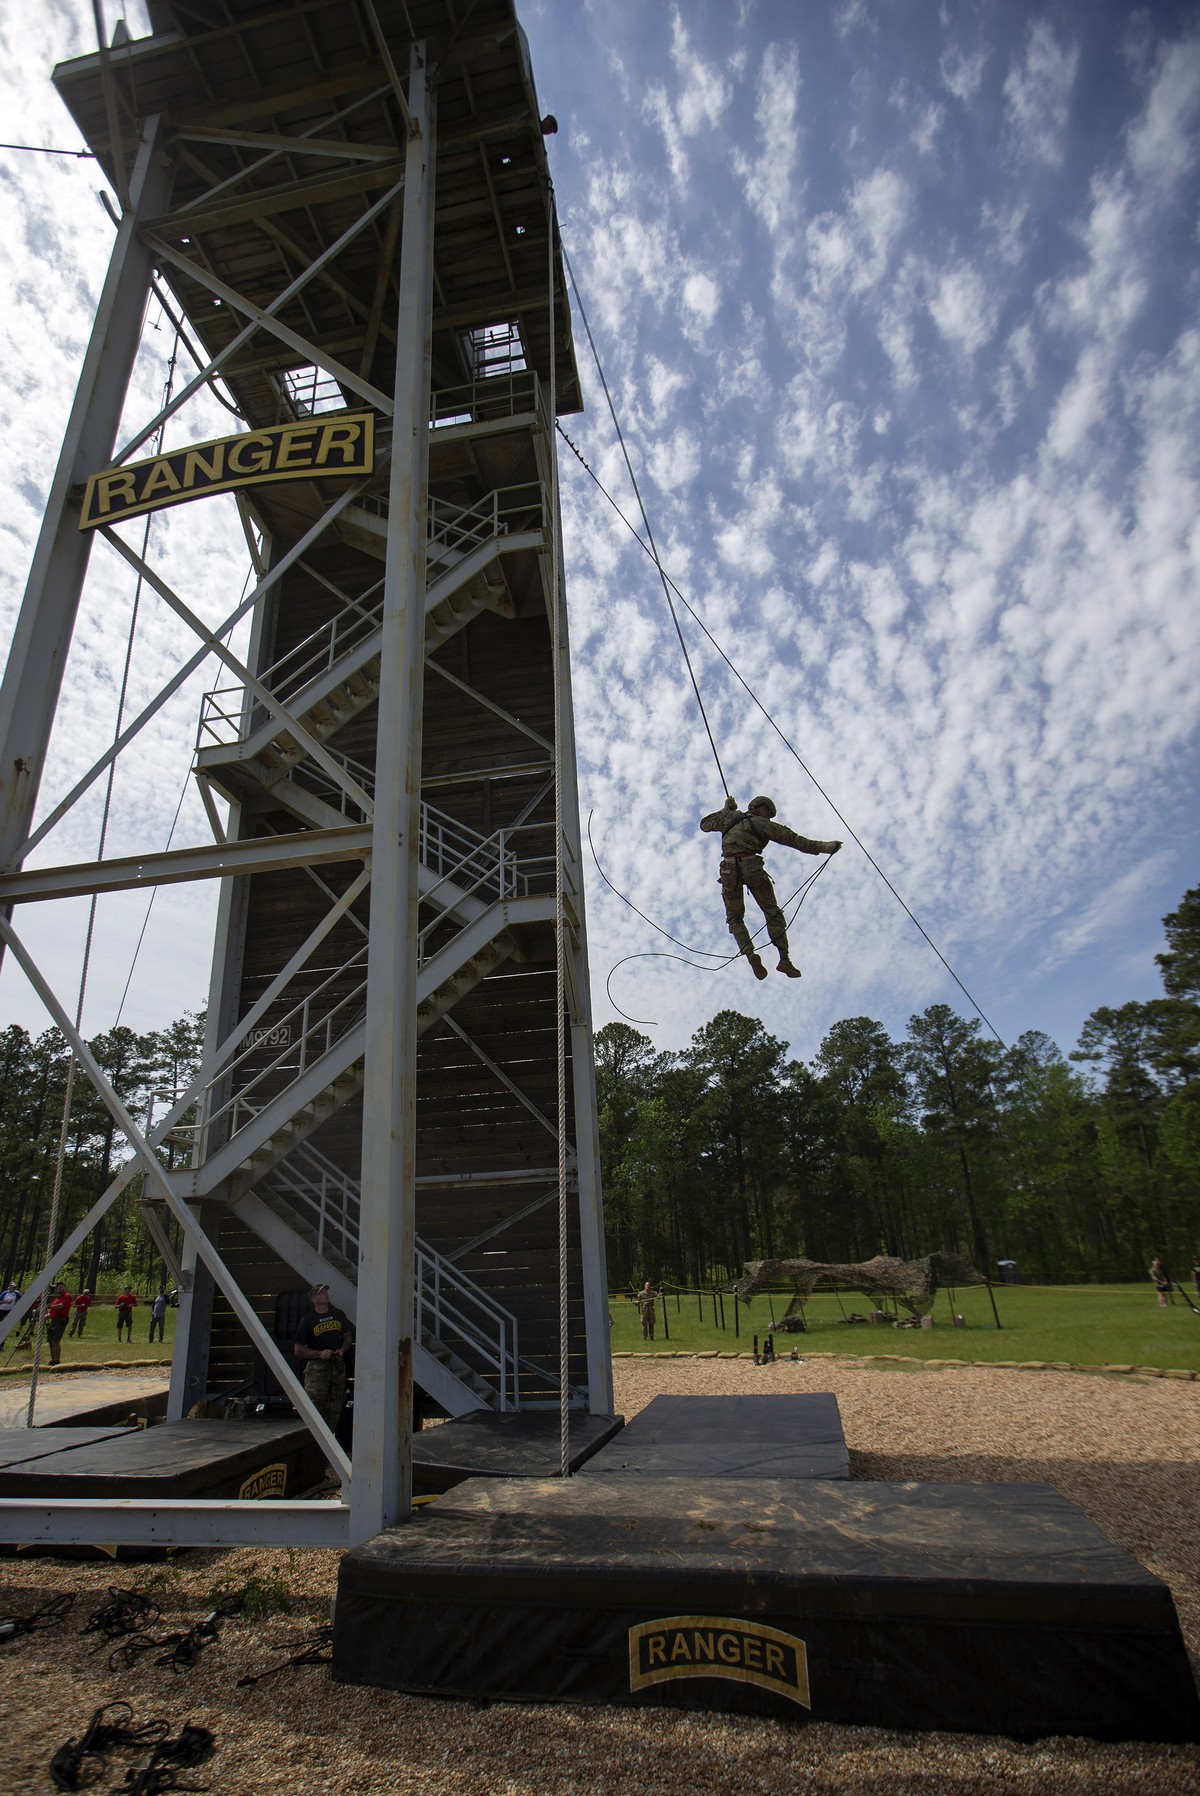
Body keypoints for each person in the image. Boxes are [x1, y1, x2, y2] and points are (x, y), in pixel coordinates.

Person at [700, 794, 841, 980]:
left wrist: (726, 810)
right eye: (767, 811)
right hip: (751, 868)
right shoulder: (762, 824)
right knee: (771, 912)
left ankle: (751, 954)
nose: (767, 816)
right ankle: (782, 959)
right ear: (759, 807)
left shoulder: (730, 819)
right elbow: (794, 840)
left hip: (728, 871)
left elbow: (705, 824)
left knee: (735, 918)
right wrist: (825, 847)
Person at [293, 1284, 353, 1487]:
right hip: (318, 1367)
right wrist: (319, 1354)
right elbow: (298, 1349)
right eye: (320, 1292)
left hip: (336, 1365)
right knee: (315, 1405)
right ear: (314, 1299)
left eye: (326, 1291)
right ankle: (312, 1451)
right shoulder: (308, 1320)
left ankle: (330, 1453)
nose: (325, 1294)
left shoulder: (338, 1315)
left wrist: (342, 1350)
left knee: (336, 1405)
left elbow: (347, 1338)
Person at [47, 1284, 72, 1365]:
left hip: (61, 1320)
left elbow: (61, 1306)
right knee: (51, 1340)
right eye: (58, 1288)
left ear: (65, 1288)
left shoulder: (67, 1296)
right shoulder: (56, 1299)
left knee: (56, 1340)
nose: (60, 1289)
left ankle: (57, 1359)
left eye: (61, 1287)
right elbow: (51, 1313)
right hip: (54, 1320)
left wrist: (49, 1306)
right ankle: (53, 1358)